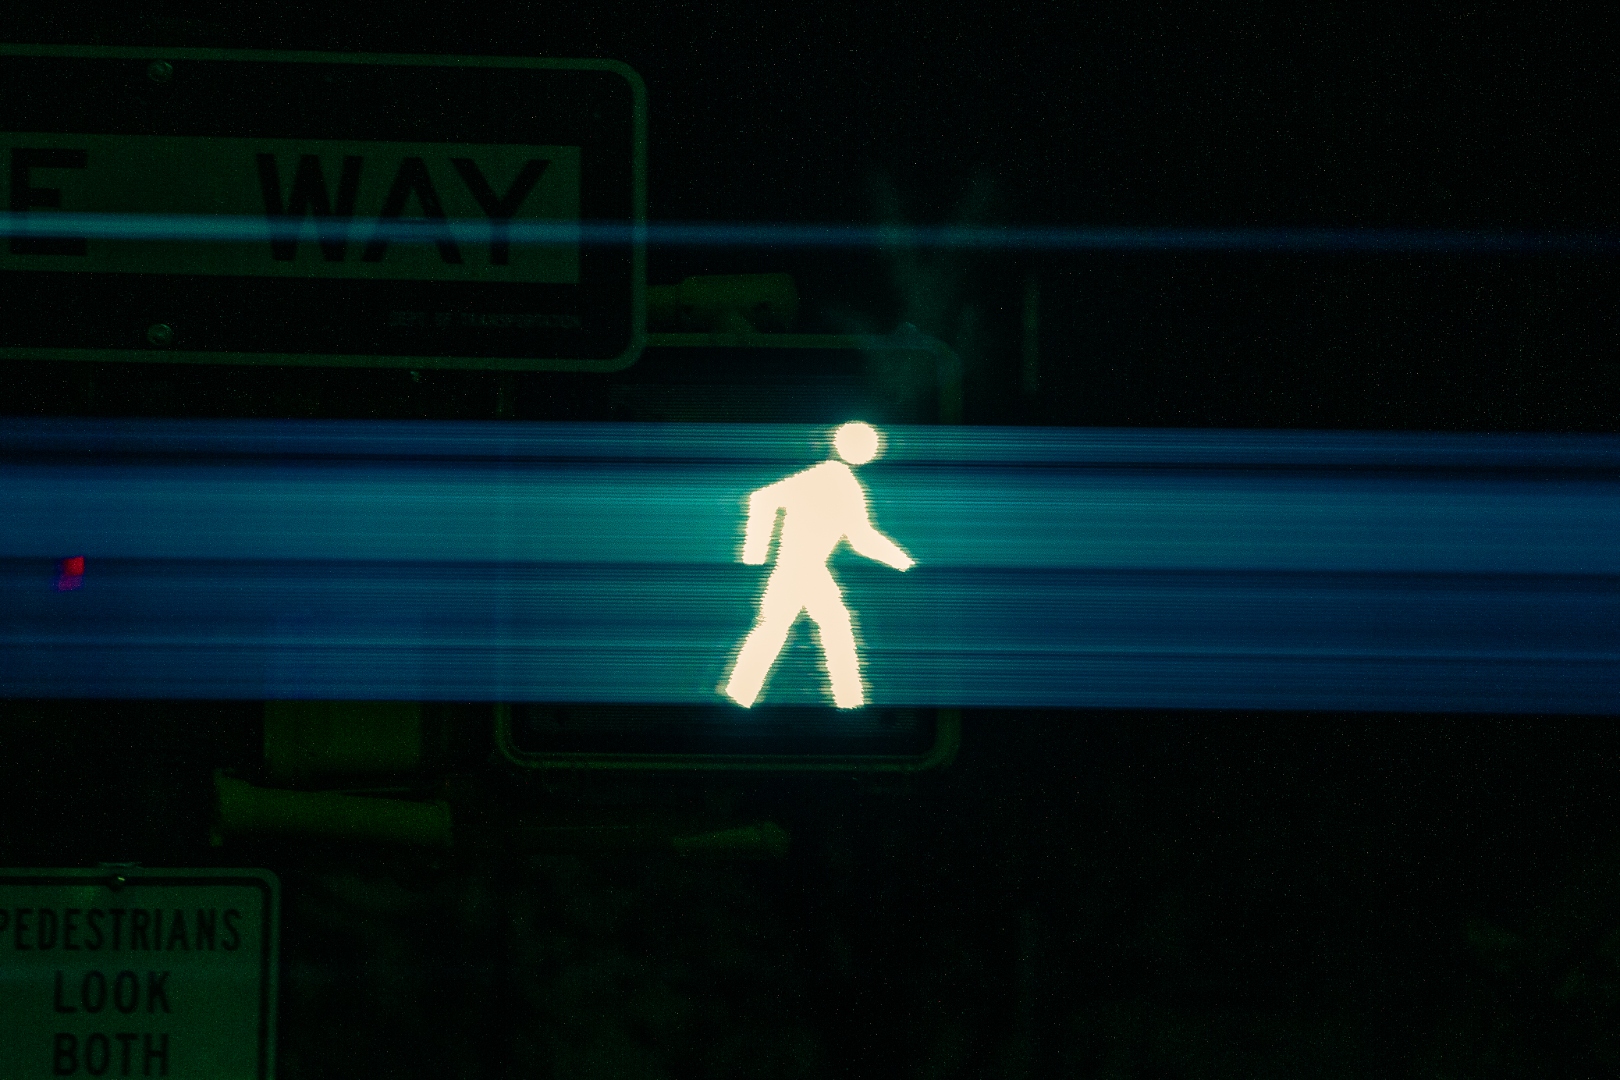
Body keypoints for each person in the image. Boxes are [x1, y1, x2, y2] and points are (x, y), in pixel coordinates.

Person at [724, 422, 914, 709]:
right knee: (786, 629)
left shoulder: (845, 482)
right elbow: (762, 499)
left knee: (821, 627)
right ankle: (740, 697)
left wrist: (904, 563)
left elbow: (861, 537)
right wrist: (754, 556)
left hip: (810, 569)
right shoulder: (827, 476)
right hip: (794, 568)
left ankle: (847, 700)